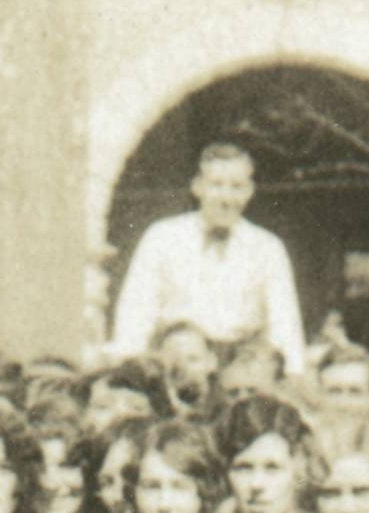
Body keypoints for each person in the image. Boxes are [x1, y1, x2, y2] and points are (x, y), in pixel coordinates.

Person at [108, 139, 307, 365]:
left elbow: (285, 328)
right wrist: (127, 367)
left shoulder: (268, 248)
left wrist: (291, 371)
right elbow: (136, 313)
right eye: (217, 185)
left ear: (249, 192)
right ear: (198, 187)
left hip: (239, 367)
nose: (226, 198)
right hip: (176, 362)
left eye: (236, 187)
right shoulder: (162, 237)